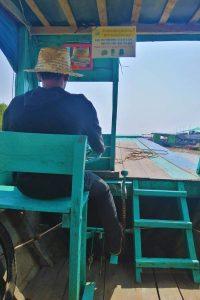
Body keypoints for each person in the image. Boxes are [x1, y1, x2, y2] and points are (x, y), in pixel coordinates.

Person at [2, 47, 123, 255]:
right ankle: (115, 246)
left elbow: (9, 144)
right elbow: (99, 147)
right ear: (66, 75)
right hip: (65, 186)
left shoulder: (15, 105)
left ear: (39, 75)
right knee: (102, 189)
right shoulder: (81, 104)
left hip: (25, 185)